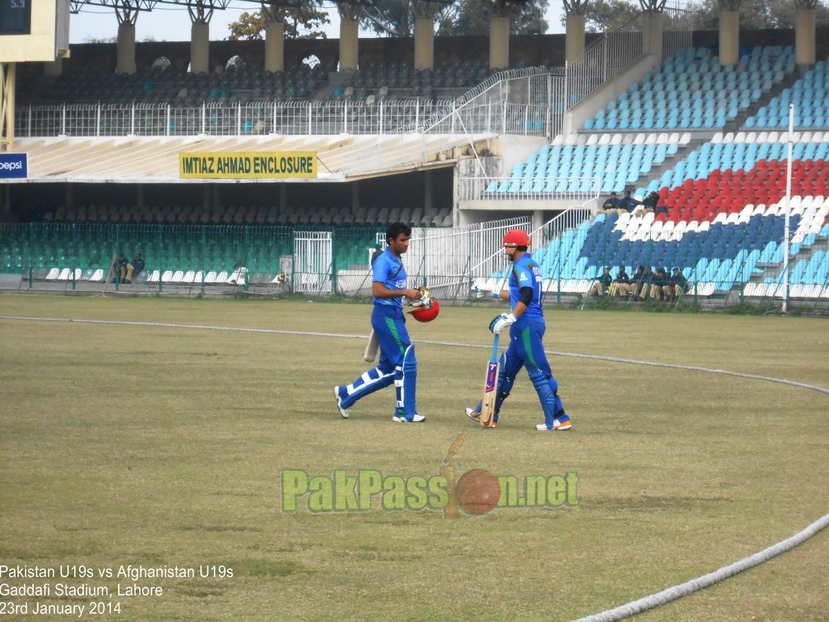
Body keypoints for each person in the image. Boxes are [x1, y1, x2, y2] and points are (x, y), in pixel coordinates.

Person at [465, 229, 571, 432]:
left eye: (506, 247)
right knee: (504, 371)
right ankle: (486, 412)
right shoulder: (532, 264)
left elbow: (527, 294)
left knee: (540, 373)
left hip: (526, 325)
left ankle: (559, 419)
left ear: (514, 247)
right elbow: (517, 293)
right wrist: (493, 291)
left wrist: (513, 316)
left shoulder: (520, 266)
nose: (505, 251)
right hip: (528, 324)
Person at [334, 222, 425, 423]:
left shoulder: (395, 259)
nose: (407, 243)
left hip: (393, 313)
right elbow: (378, 291)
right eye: (402, 240)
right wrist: (405, 292)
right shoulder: (384, 261)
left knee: (387, 368)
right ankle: (403, 412)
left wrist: (413, 297)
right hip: (386, 315)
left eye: (408, 239)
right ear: (391, 240)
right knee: (404, 361)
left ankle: (345, 392)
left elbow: (394, 289)